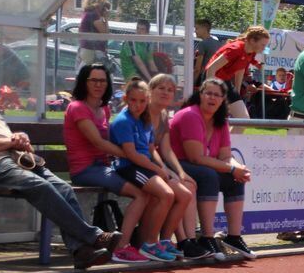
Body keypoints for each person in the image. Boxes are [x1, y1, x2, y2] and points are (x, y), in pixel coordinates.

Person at [0, 56, 118, 268]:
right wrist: (10, 141)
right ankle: (94, 236)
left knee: (63, 188)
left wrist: (19, 136)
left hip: (18, 161)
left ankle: (81, 251)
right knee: (40, 186)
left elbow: (4, 137)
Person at [63, 64, 148, 262]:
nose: (98, 84)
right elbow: (98, 142)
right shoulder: (77, 108)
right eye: (93, 80)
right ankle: (121, 247)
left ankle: (144, 243)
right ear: (84, 82)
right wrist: (131, 156)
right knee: (140, 194)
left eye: (102, 80)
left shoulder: (104, 108)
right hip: (85, 169)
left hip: (104, 167)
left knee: (150, 188)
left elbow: (110, 141)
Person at [168, 78, 255, 260]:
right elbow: (195, 157)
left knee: (235, 179)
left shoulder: (220, 121)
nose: (212, 98)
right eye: (208, 93)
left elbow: (225, 156)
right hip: (177, 164)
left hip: (200, 166)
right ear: (200, 95)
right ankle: (207, 237)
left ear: (223, 99)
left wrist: (237, 168)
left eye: (217, 95)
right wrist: (231, 169)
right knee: (209, 175)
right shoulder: (190, 115)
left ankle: (234, 237)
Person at [109, 80, 192, 262]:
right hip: (130, 168)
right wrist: (157, 169)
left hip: (146, 167)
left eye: (142, 101)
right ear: (125, 99)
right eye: (133, 100)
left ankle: (163, 241)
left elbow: (150, 147)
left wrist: (163, 169)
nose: (137, 105)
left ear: (147, 100)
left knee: (184, 195)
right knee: (166, 195)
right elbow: (131, 155)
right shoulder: (124, 121)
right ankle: (150, 243)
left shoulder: (144, 119)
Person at [146, 74, 207, 259]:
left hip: (154, 163)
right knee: (178, 191)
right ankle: (178, 241)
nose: (165, 92)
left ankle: (184, 240)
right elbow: (148, 149)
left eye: (170, 90)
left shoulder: (164, 115)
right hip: (142, 163)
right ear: (151, 90)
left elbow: (166, 149)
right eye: (161, 88)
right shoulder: (143, 111)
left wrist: (180, 172)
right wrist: (165, 171)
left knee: (189, 184)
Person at [204, 26, 270, 121]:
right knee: (215, 120)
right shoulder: (235, 49)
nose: (264, 48)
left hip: (225, 82)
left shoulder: (250, 52)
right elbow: (211, 68)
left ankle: (229, 136)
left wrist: (237, 93)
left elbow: (240, 70)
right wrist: (210, 91)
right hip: (211, 79)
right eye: (263, 45)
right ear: (252, 40)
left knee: (244, 119)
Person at [76, 0, 110, 70]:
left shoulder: (87, 13)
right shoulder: (93, 14)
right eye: (102, 4)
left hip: (87, 49)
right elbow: (105, 33)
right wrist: (106, 18)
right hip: (91, 51)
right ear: (98, 3)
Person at [193, 19, 224, 87]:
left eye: (197, 28)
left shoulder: (202, 44)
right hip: (216, 79)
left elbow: (198, 68)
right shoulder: (218, 44)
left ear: (204, 29)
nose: (195, 31)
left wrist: (192, 83)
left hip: (204, 79)